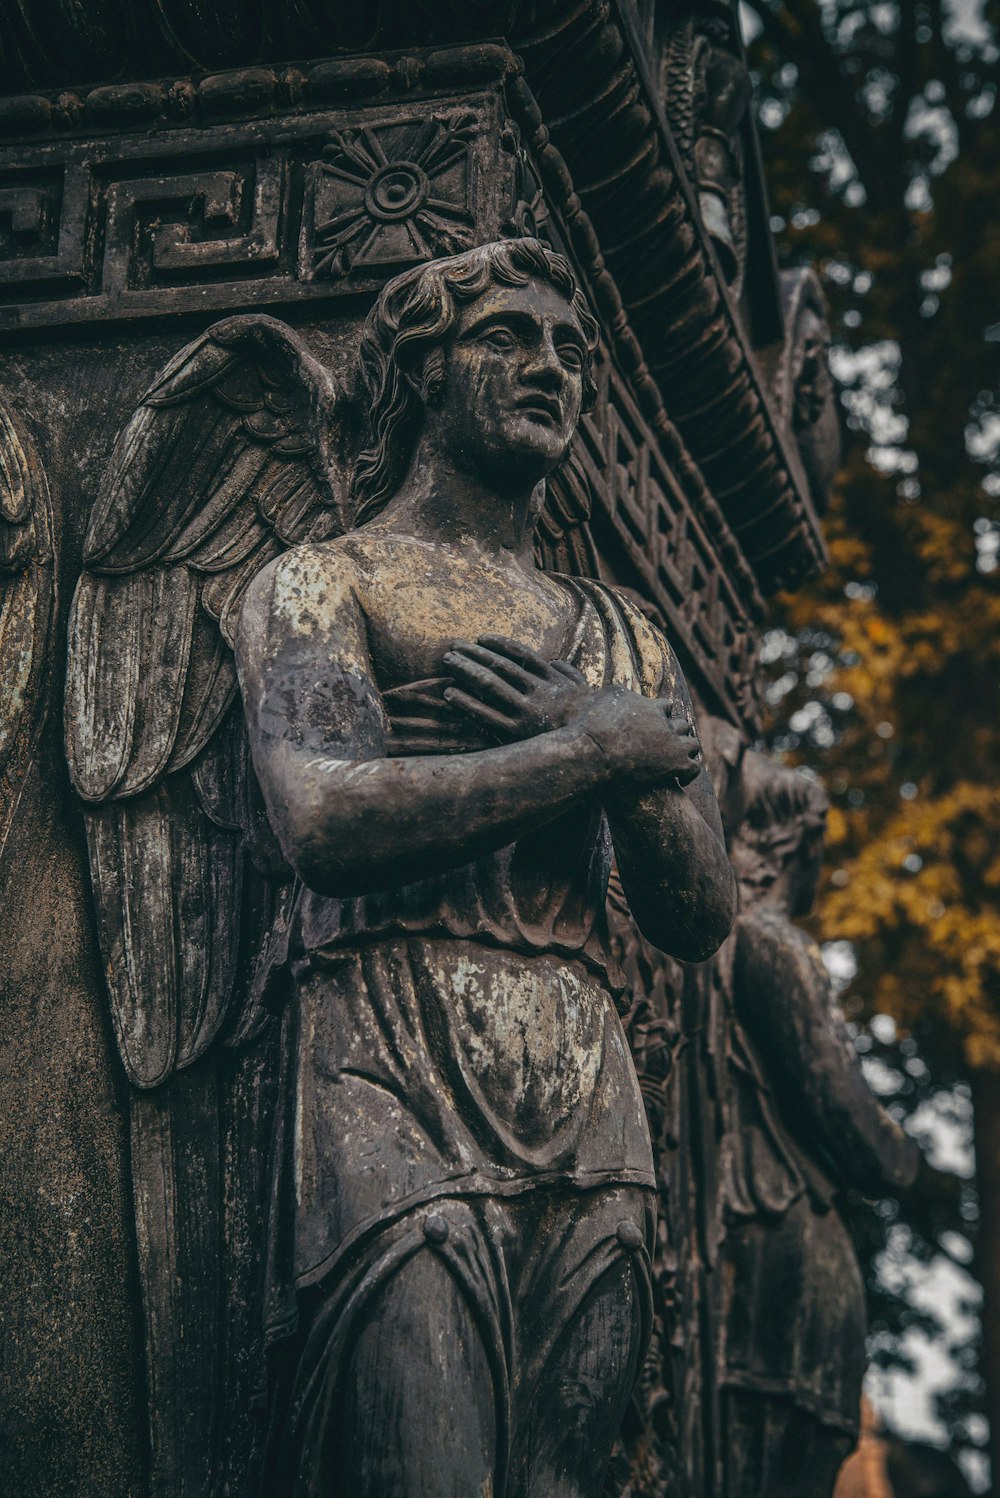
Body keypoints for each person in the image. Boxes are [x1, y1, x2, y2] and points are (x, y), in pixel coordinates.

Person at [235, 237, 736, 1496]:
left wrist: (611, 743)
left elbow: (695, 909)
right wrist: (595, 749)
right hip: (385, 1049)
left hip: (584, 1065)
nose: (550, 366)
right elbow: (327, 823)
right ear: (419, 372)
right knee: (422, 1455)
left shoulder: (620, 628)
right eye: (507, 337)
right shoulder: (321, 583)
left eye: (571, 348)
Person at [716, 752, 919, 1498]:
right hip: (786, 1227)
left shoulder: (721, 940)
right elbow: (859, 1129)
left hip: (760, 1227)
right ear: (794, 846)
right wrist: (906, 1157)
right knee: (786, 1451)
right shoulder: (774, 945)